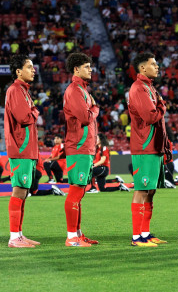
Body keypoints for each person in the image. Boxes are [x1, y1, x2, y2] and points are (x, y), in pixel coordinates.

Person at [127, 52, 171, 247]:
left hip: (154, 146)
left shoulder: (149, 88)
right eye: (154, 64)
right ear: (142, 68)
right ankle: (137, 237)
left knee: (150, 190)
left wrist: (165, 145)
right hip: (144, 146)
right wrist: (162, 106)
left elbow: (158, 121)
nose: (157, 67)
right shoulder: (138, 89)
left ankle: (145, 233)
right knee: (142, 189)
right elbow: (151, 117)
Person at [3, 54, 42, 248]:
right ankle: (13, 237)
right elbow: (25, 117)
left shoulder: (23, 90)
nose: (33, 70)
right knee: (18, 191)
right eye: (29, 67)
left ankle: (19, 234)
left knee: (23, 192)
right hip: (20, 148)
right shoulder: (15, 90)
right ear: (18, 71)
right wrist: (35, 110)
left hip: (27, 148)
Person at [62, 52, 100, 247]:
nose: (90, 69)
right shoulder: (75, 90)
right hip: (78, 146)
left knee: (81, 192)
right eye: (86, 67)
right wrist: (95, 109)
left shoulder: (82, 90)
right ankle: (71, 237)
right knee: (76, 191)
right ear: (76, 69)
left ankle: (77, 233)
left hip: (85, 146)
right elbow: (86, 117)